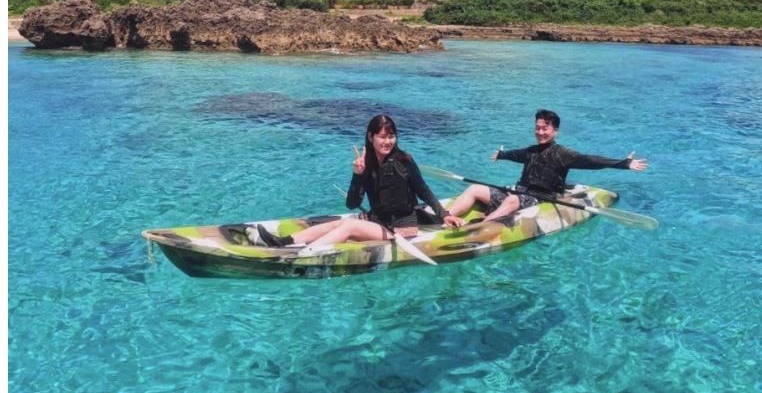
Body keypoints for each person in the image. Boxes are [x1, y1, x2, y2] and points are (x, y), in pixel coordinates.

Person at [256, 114, 462, 248]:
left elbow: (423, 190)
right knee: (339, 222)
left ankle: (302, 254)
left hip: (400, 229)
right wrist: (358, 175)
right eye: (382, 136)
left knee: (349, 227)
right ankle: (283, 242)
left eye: (392, 136)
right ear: (371, 137)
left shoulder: (404, 161)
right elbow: (352, 204)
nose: (388, 141)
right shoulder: (366, 164)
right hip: (377, 221)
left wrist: (444, 214)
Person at [447, 109, 648, 223]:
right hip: (518, 194)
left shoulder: (564, 154)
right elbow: (514, 154)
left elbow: (590, 160)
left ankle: (480, 226)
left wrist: (623, 163)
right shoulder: (531, 151)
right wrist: (501, 155)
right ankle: (444, 217)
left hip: (540, 199)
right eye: (537, 128)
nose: (540, 132)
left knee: (512, 201)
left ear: (555, 130)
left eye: (545, 128)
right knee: (475, 188)